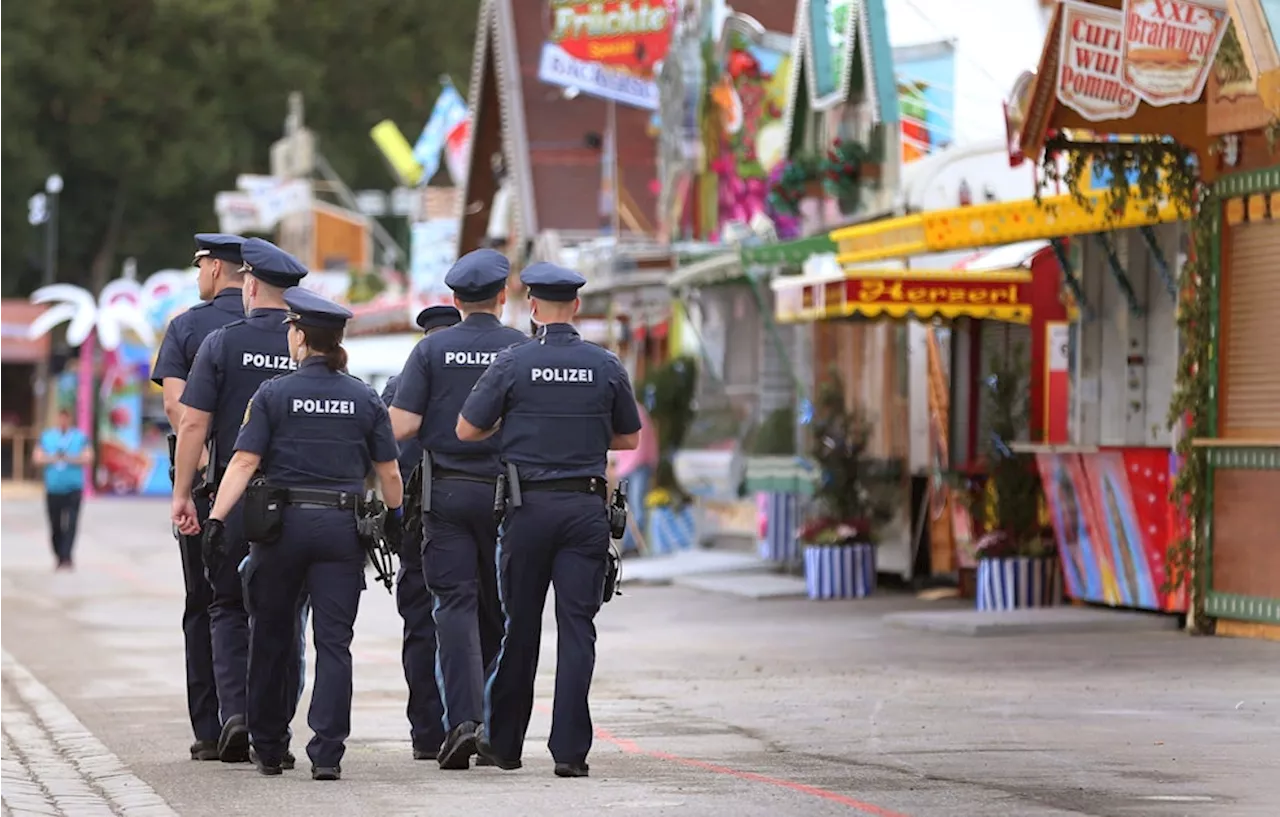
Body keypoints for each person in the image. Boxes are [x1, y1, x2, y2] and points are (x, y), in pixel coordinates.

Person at [187, 287, 404, 781]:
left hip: (280, 530)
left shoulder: (273, 393)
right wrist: (395, 517)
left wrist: (218, 519)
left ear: (301, 337)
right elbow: (389, 472)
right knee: (334, 643)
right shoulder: (363, 396)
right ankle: (327, 752)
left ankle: (268, 745)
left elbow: (243, 462)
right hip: (341, 532)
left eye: (292, 330)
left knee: (270, 634)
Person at [457, 262, 641, 778]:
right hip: (585, 511)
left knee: (520, 629)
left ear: (533, 308)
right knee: (577, 629)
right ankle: (570, 754)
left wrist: (520, 430)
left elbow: (467, 429)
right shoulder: (605, 364)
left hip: (527, 509)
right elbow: (629, 438)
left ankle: (506, 745)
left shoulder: (513, 363)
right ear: (576, 307)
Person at [171, 237, 308, 766]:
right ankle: (274, 724)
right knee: (286, 615)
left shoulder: (220, 342)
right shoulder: (308, 340)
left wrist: (183, 492)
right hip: (295, 498)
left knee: (226, 605)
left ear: (248, 285)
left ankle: (234, 716)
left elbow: (192, 421)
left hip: (231, 493)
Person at [389, 249, 527, 770]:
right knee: (499, 610)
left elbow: (399, 427)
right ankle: (491, 726)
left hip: (444, 493)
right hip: (505, 496)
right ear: (502, 296)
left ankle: (463, 721)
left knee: (453, 607)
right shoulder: (519, 348)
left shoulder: (431, 351)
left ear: (454, 300)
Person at [149, 232, 246, 761]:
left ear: (213, 269)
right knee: (269, 606)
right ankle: (262, 720)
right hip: (273, 490)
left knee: (205, 601)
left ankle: (211, 729)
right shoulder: (283, 326)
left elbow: (177, 409)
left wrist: (199, 473)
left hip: (208, 486)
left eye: (200, 265)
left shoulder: (187, 326)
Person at [380, 304, 458, 761]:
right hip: (471, 516)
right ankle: (467, 720)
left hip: (414, 524)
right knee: (472, 620)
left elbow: (385, 460)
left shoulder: (398, 387)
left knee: (419, 626)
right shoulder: (479, 379)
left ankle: (427, 733)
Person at [32, 408, 93, 570]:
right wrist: (53, 458)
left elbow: (88, 457)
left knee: (71, 523)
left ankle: (67, 556)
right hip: (54, 488)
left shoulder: (79, 437)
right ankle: (59, 554)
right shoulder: (47, 436)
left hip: (73, 487)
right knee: (55, 524)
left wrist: (69, 458)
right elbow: (37, 458)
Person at [607, 399, 657, 554]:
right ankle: (631, 545)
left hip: (637, 465)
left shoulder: (634, 412)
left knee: (635, 506)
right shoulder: (631, 410)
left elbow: (638, 444)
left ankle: (633, 546)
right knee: (628, 507)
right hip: (629, 465)